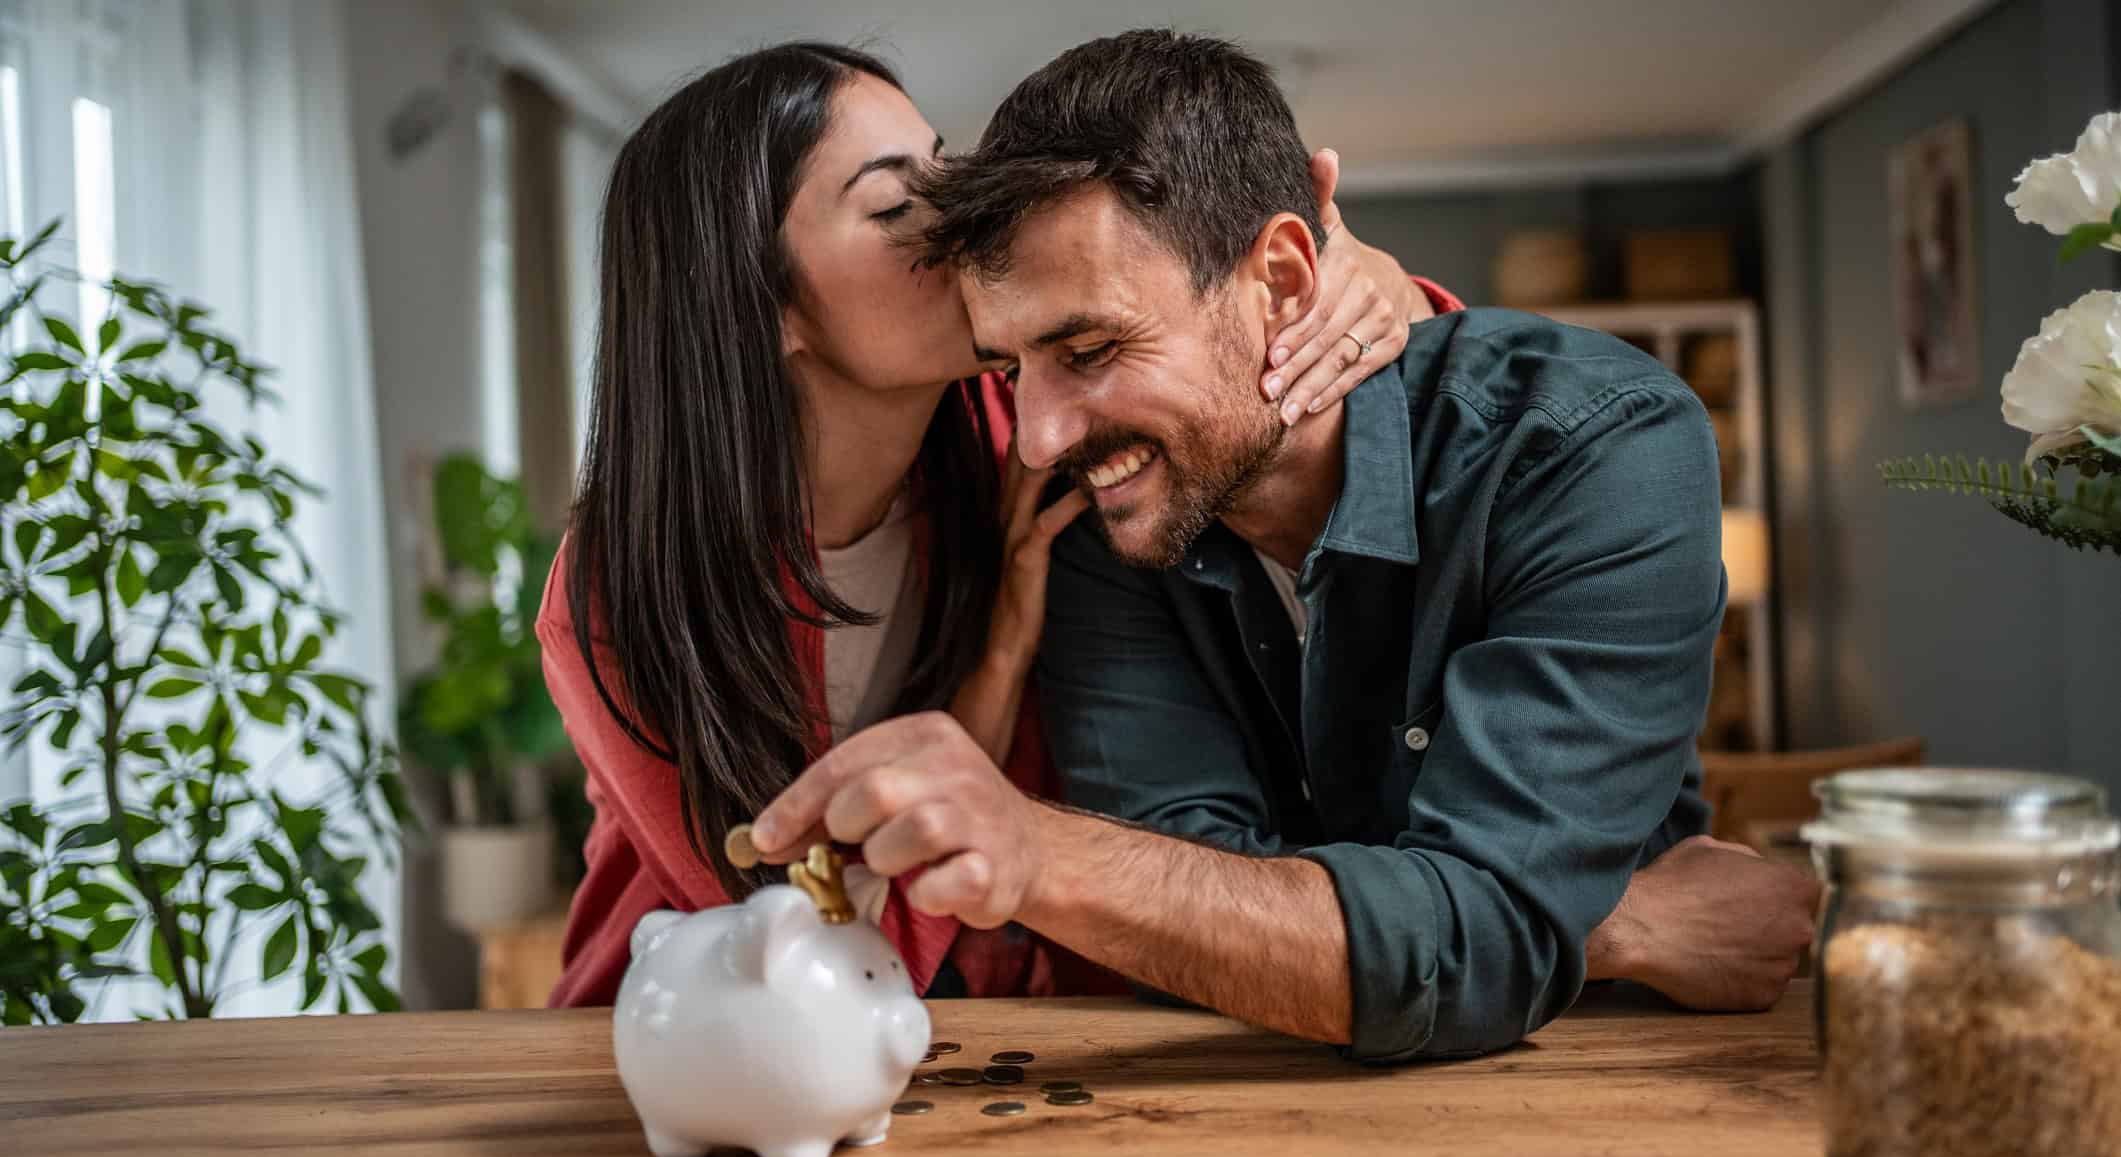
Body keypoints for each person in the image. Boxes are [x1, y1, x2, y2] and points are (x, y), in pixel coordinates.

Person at [747, 30, 1818, 1061]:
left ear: (1289, 281)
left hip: (1598, 1079)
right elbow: (1182, 945)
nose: (1039, 435)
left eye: (1089, 348)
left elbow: (1221, 913)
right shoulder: (1104, 516)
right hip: (1239, 1097)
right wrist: (1590, 922)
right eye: (1009, 365)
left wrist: (1044, 852)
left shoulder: (1596, 448)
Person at [536, 41, 1441, 1006]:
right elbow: (811, 954)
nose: (966, 217)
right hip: (696, 1054)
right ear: (757, 308)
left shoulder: (1030, 428)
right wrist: (996, 670)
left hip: (1026, 1034)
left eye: (946, 168)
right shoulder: (626, 592)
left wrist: (1375, 286)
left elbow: (1358, 405)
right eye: (893, 206)